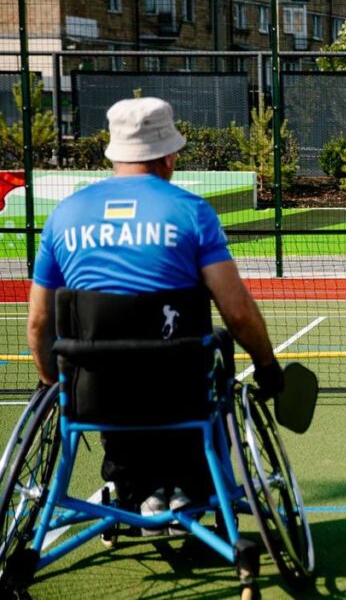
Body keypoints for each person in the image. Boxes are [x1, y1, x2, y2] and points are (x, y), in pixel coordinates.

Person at [26, 97, 284, 530]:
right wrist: (268, 366)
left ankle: (136, 488)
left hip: (95, 395)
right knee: (212, 365)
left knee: (112, 383)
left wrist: (52, 384)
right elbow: (237, 313)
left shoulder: (65, 215)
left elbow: (38, 322)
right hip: (179, 389)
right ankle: (190, 488)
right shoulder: (192, 212)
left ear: (115, 153)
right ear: (168, 156)